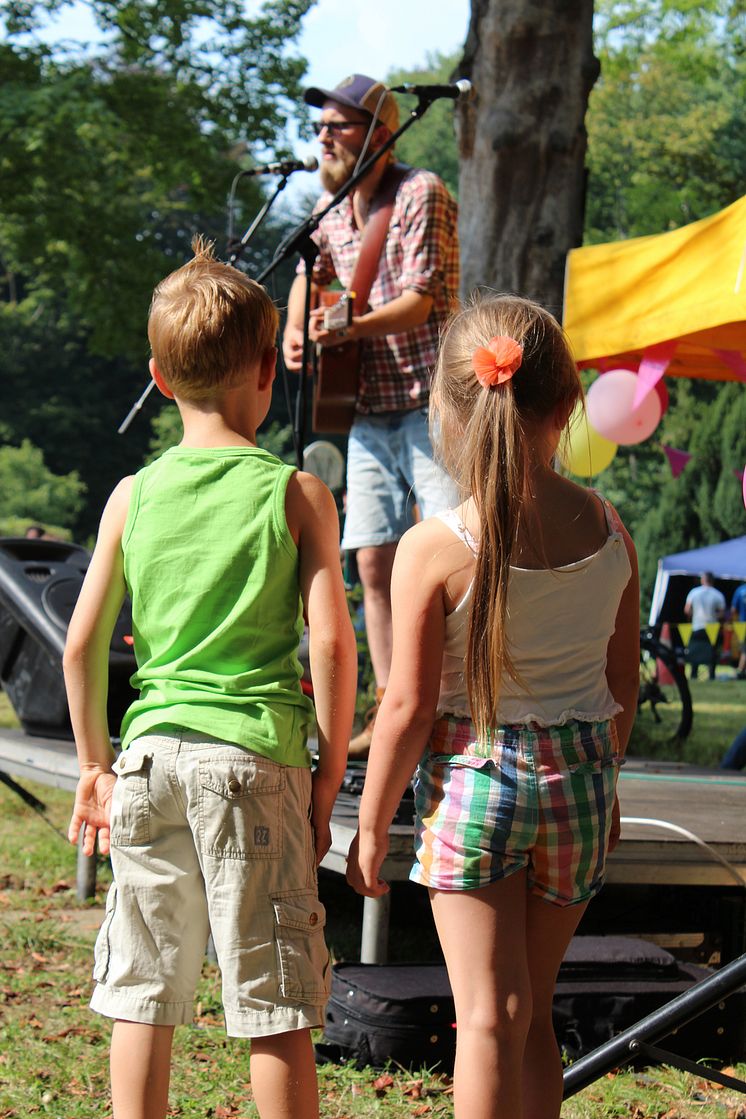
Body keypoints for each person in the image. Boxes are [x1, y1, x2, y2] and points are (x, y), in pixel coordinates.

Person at [63, 237, 358, 1119]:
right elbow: (334, 647)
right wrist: (331, 766)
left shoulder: (132, 495)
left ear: (158, 375)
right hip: (253, 764)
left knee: (143, 990)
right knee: (273, 1002)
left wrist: (94, 765)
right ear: (270, 369)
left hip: (148, 763)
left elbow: (80, 647)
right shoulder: (297, 492)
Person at [346, 295, 640, 1119]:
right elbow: (623, 685)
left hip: (475, 784)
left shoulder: (433, 547)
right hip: (578, 786)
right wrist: (607, 786)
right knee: (531, 1013)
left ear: (443, 407)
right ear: (570, 403)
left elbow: (404, 705)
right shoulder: (611, 529)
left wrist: (371, 825)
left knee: (482, 1018)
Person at [282, 73, 460, 756]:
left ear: (380, 135)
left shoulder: (422, 193)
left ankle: (449, 705)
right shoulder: (329, 211)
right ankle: (392, 709)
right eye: (320, 127)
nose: (323, 137)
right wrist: (297, 326)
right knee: (373, 563)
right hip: (366, 411)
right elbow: (308, 275)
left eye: (338, 127)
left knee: (448, 557)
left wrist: (349, 329)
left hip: (429, 402)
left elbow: (423, 297)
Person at [684, 572, 726, 680]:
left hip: (697, 626)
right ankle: (711, 675)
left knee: (695, 651)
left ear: (703, 580)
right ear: (712, 580)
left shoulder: (694, 592)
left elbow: (687, 610)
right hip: (712, 628)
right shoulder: (718, 594)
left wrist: (692, 618)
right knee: (712, 652)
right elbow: (722, 613)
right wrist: (713, 615)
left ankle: (694, 675)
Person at [729, 582, 746, 679]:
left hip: (742, 625)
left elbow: (733, 610)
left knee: (744, 649)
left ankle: (740, 670)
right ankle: (740, 671)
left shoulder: (740, 590)